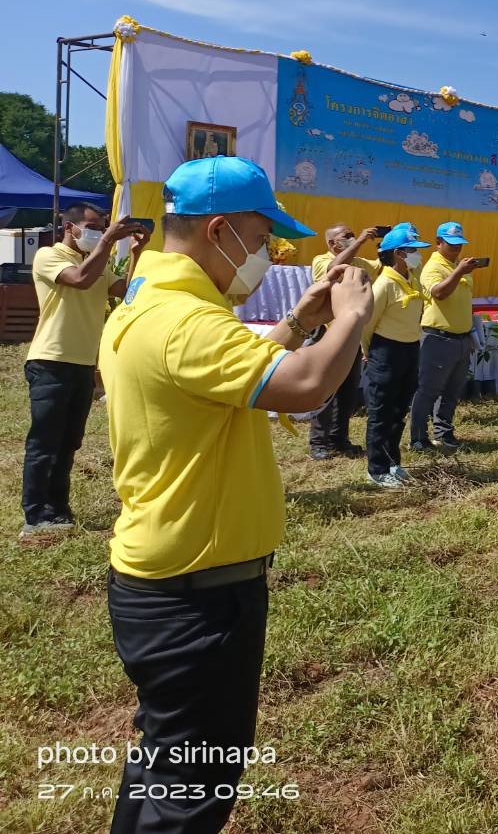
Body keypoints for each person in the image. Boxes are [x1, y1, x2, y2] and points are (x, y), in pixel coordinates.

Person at [99, 156, 372, 833]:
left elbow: (228, 379)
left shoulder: (152, 304)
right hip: (197, 596)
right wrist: (352, 316)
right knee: (192, 789)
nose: (266, 255)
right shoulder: (187, 321)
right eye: (260, 237)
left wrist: (300, 321)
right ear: (218, 230)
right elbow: (305, 385)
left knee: (166, 760)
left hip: (168, 578)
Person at [21, 204, 149, 536]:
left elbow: (128, 293)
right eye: (93, 227)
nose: (99, 233)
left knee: (68, 442)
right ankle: (35, 515)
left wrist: (137, 253)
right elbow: (79, 280)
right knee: (45, 442)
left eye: (103, 227)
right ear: (70, 228)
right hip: (50, 361)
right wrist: (108, 242)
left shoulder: (96, 262)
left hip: (82, 364)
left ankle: (58, 510)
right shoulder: (50, 256)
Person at [307, 224, 384, 461]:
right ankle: (318, 442)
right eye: (346, 236)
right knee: (326, 392)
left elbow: (382, 266)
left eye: (353, 234)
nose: (351, 238)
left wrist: (387, 245)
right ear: (332, 243)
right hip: (328, 335)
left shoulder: (358, 262)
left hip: (352, 335)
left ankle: (339, 439)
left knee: (347, 394)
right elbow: (333, 269)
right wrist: (359, 241)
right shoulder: (321, 260)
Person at [360, 225, 429, 489]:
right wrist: (368, 351)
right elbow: (367, 324)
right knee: (381, 411)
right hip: (385, 350)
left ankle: (392, 463)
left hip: (409, 348)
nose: (417, 255)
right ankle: (377, 469)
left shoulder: (411, 279)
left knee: (399, 410)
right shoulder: (384, 284)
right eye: (412, 250)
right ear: (398, 253)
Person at [410, 221, 484, 451]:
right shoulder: (433, 267)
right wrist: (459, 271)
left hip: (461, 338)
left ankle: (443, 432)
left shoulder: (456, 265)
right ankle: (418, 438)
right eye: (451, 244)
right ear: (438, 242)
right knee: (428, 390)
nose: (456, 248)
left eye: (459, 244)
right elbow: (439, 293)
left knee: (452, 390)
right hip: (438, 338)